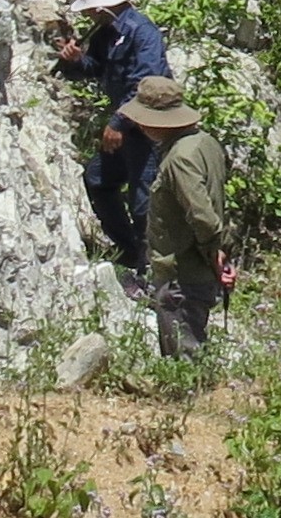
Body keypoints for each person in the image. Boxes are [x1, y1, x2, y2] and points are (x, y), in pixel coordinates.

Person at [52, 0, 171, 275]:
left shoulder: (142, 32)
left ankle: (152, 272)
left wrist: (118, 122)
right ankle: (131, 252)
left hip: (148, 128)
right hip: (126, 128)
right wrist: (75, 62)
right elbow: (95, 69)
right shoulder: (106, 34)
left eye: (90, 8)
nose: (88, 15)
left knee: (144, 199)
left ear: (102, 4)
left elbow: (146, 84)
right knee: (98, 181)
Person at [121, 76, 230, 357]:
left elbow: (203, 216)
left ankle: (191, 398)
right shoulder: (205, 142)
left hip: (182, 273)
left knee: (184, 358)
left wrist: (212, 253)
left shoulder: (179, 158)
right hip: (195, 269)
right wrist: (219, 253)